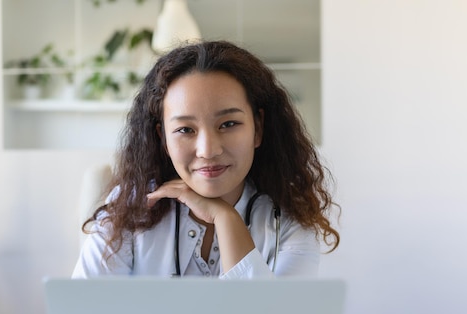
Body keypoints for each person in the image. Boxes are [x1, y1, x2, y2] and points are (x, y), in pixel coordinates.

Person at [72, 40, 339, 279]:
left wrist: (225, 218)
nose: (207, 150)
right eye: (185, 130)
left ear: (257, 129)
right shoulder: (131, 205)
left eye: (229, 123)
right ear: (163, 138)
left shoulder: (291, 221)